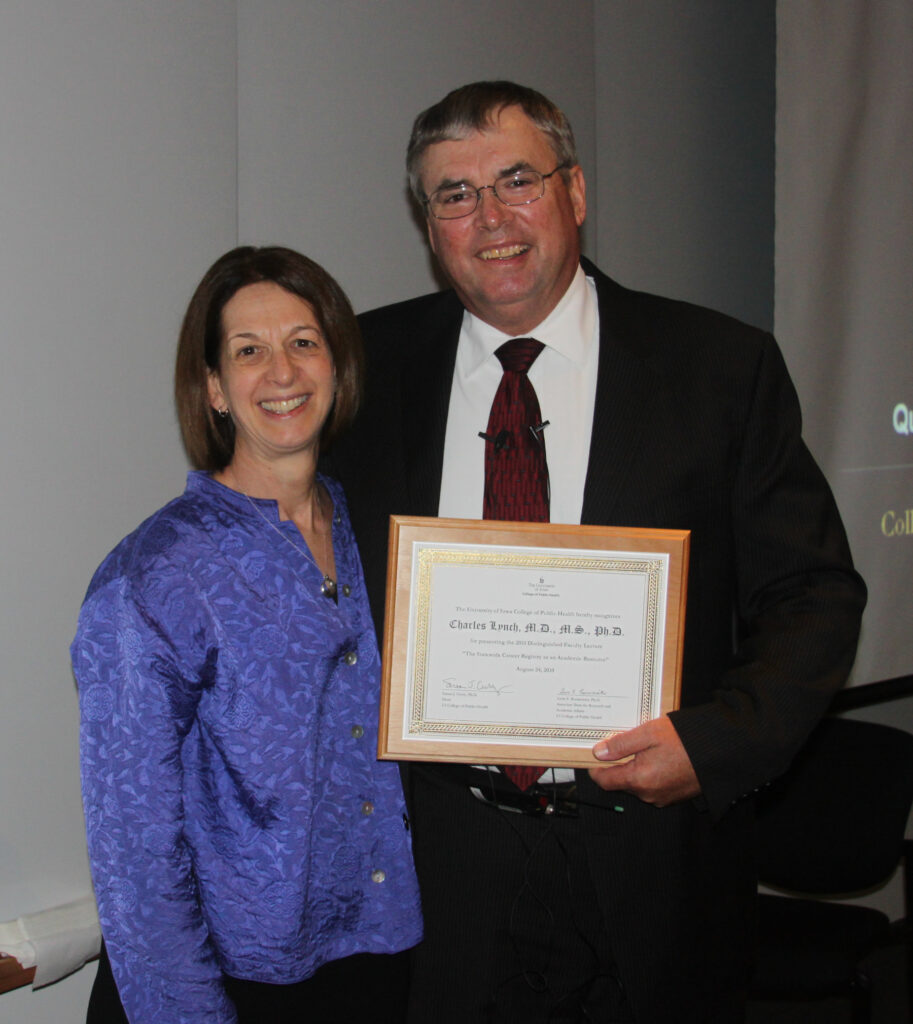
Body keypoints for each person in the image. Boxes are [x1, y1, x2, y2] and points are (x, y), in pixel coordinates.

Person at [327, 82, 866, 1023]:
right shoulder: (363, 371)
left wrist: (714, 741)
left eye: (516, 180)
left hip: (657, 867)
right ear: (428, 224)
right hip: (436, 873)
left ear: (573, 192)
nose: (490, 217)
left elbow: (813, 594)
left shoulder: (715, 366)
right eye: (454, 195)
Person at [72, 246, 422, 1024]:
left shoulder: (383, 535)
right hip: (226, 984)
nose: (283, 372)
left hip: (379, 959)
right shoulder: (154, 578)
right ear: (213, 390)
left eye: (304, 342)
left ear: (337, 365)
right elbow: (136, 858)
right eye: (248, 351)